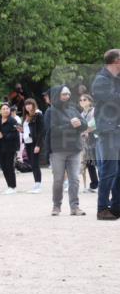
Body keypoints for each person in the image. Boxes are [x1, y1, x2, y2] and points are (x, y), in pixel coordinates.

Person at [43, 87, 88, 216]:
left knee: (74, 179)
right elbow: (51, 131)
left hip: (75, 149)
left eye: (68, 93)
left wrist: (80, 123)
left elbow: (84, 125)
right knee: (58, 179)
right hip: (58, 150)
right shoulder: (50, 111)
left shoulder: (73, 109)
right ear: (57, 95)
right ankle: (56, 206)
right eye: (64, 94)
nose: (67, 96)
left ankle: (75, 207)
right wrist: (70, 125)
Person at [91, 49, 120, 220]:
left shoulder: (115, 80)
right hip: (108, 131)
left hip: (116, 129)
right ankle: (102, 208)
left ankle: (116, 207)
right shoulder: (101, 81)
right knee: (109, 171)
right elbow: (114, 100)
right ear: (116, 61)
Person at [0, 102, 21, 195]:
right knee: (4, 167)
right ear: (0, 111)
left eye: (7, 108)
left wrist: (3, 136)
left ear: (9, 110)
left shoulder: (13, 121)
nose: (5, 110)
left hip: (10, 147)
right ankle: (9, 186)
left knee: (9, 166)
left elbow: (15, 134)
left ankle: (13, 186)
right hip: (0, 147)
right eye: (3, 109)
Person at [21, 98, 44, 193]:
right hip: (28, 142)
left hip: (35, 142)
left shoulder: (38, 115)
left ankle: (38, 184)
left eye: (30, 104)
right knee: (32, 163)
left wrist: (38, 145)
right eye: (26, 105)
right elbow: (27, 129)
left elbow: (41, 131)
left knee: (35, 164)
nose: (28, 106)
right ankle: (36, 183)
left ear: (33, 105)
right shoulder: (26, 116)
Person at [79, 93, 99, 193]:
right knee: (89, 162)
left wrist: (86, 130)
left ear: (90, 101)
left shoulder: (94, 111)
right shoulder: (81, 114)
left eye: (84, 99)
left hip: (95, 138)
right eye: (81, 100)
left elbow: (95, 124)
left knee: (98, 162)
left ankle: (102, 185)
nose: (82, 101)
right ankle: (94, 184)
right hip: (85, 140)